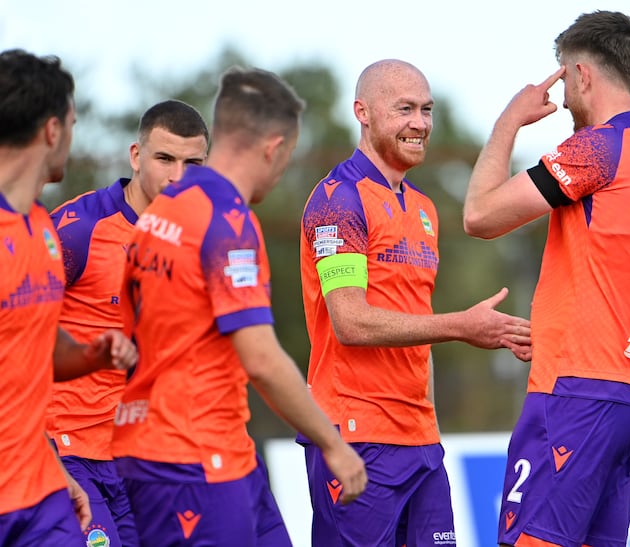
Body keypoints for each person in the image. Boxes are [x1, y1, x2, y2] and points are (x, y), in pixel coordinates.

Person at [462, 11, 630, 547]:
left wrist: (509, 122)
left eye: (565, 82)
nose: (564, 99)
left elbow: (478, 215)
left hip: (577, 391)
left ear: (582, 75)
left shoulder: (600, 147)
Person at [111, 65, 368, 546]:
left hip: (202, 448)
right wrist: (334, 445)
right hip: (191, 456)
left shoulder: (158, 212)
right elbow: (262, 359)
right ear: (273, 148)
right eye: (286, 157)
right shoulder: (227, 220)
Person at [298, 58, 532, 547]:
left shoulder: (424, 208)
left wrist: (430, 424)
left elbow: (414, 323)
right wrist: (462, 327)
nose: (420, 123)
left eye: (426, 110)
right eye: (404, 109)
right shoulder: (339, 200)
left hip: (421, 443)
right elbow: (350, 322)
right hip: (355, 438)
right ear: (362, 112)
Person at [45, 99, 210, 547]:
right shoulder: (81, 229)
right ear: (136, 156)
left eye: (193, 163)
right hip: (68, 452)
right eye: (165, 159)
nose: (178, 177)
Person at [0, 48, 138, 546]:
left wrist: (91, 354)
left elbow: (29, 347)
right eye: (75, 123)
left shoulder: (42, 226)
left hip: (39, 491)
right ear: (53, 130)